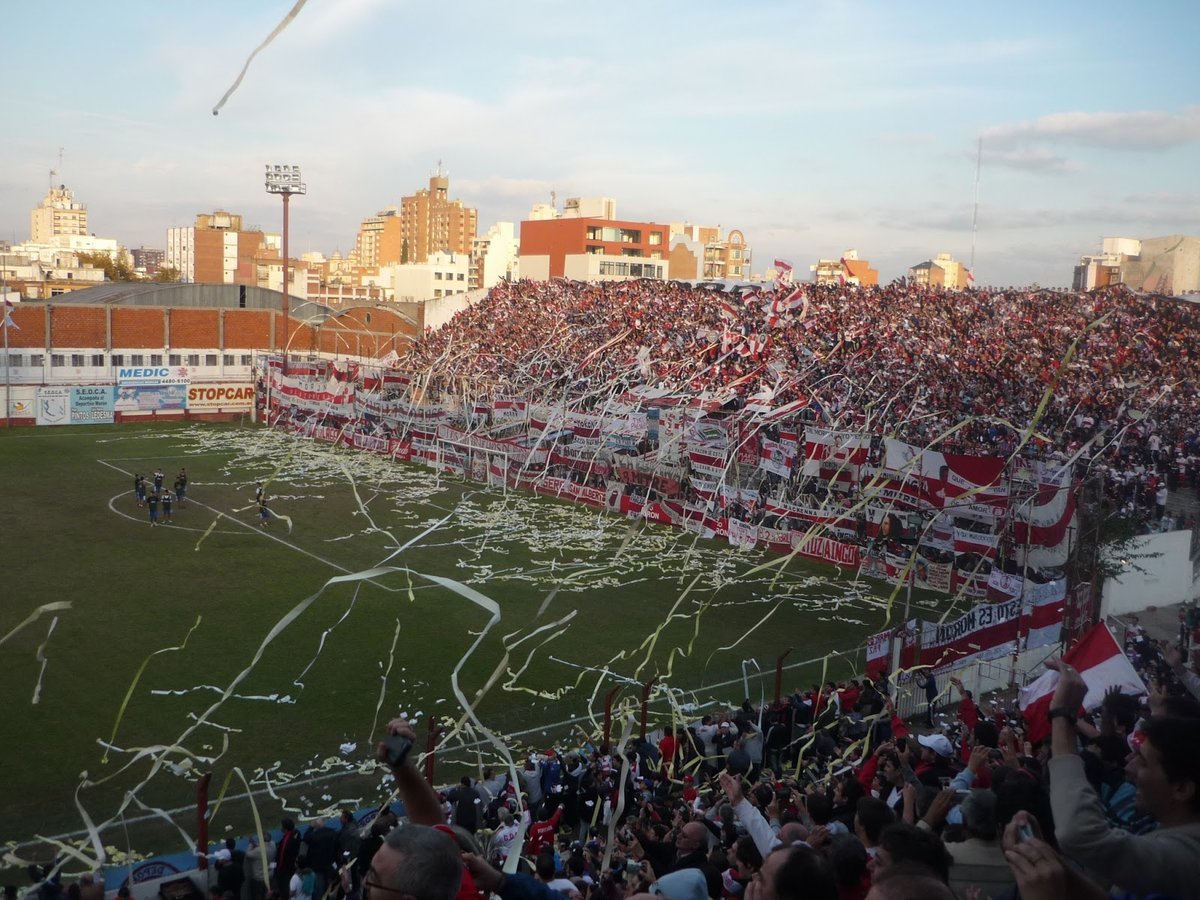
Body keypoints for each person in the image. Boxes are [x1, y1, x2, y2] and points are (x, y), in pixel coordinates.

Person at [1043, 657, 1200, 896]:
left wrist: (1062, 715)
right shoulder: (1171, 840)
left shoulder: (1188, 856)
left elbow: (1080, 834)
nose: (1129, 763)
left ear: (1182, 789)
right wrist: (1053, 864)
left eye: (1143, 760)